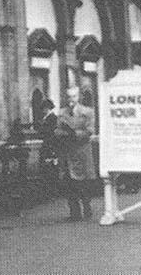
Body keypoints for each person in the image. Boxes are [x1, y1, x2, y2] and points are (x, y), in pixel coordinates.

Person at [54, 87, 97, 220]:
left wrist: (74, 134)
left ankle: (87, 208)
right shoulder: (62, 113)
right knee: (69, 183)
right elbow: (57, 131)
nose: (71, 100)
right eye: (68, 97)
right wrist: (64, 134)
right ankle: (74, 212)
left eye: (73, 96)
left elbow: (90, 130)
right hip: (67, 153)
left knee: (82, 183)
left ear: (78, 97)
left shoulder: (88, 112)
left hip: (82, 152)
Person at [36, 98, 58, 177]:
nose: (42, 111)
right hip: (46, 144)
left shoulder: (53, 118)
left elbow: (50, 132)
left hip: (50, 144)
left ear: (47, 108)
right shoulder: (46, 118)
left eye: (43, 108)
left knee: (49, 164)